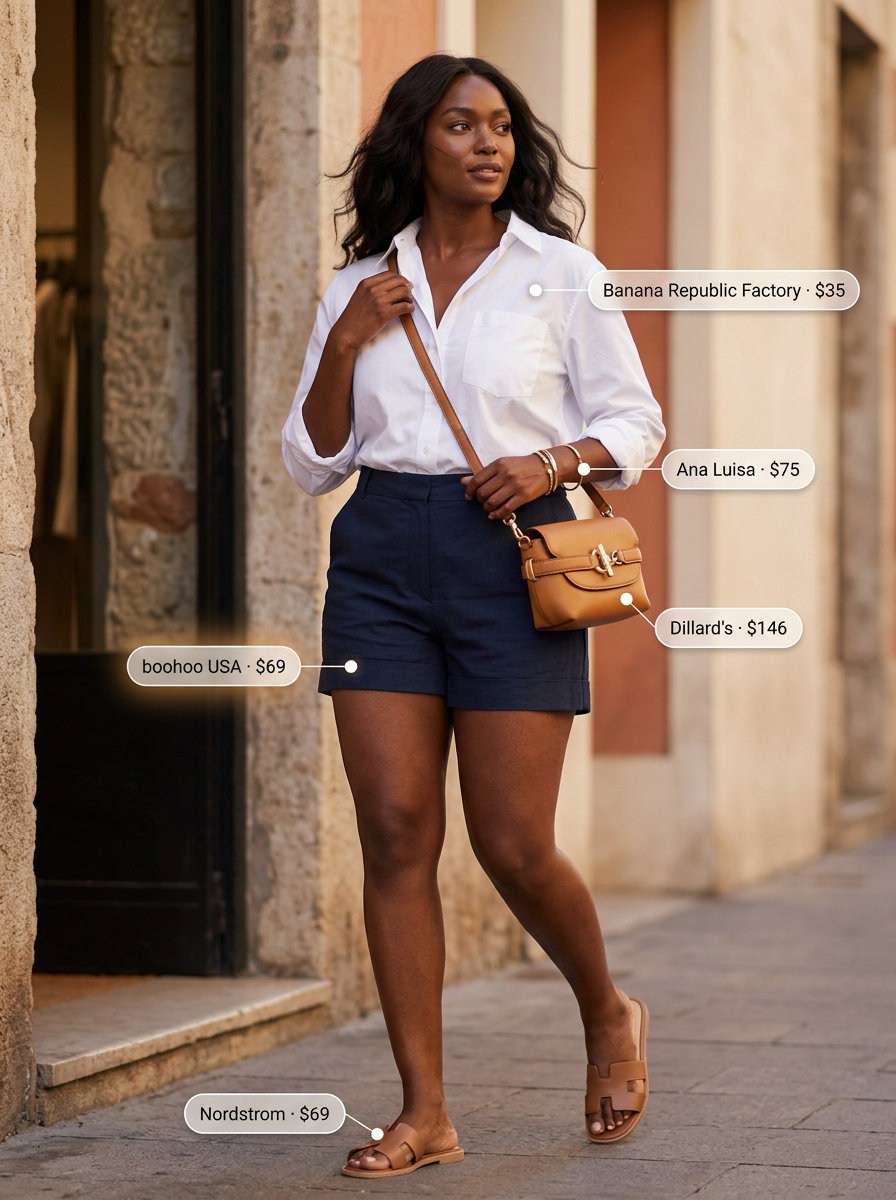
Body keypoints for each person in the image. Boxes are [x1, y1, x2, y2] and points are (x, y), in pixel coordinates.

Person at [282, 54, 665, 1179]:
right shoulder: (358, 285)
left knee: (509, 840)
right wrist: (351, 337)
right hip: (382, 561)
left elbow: (634, 425)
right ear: (418, 142)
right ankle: (424, 1112)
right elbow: (310, 461)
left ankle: (604, 1009)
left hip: (514, 556)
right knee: (396, 829)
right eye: (462, 125)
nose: (489, 144)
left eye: (501, 126)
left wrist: (547, 457)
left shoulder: (561, 274)